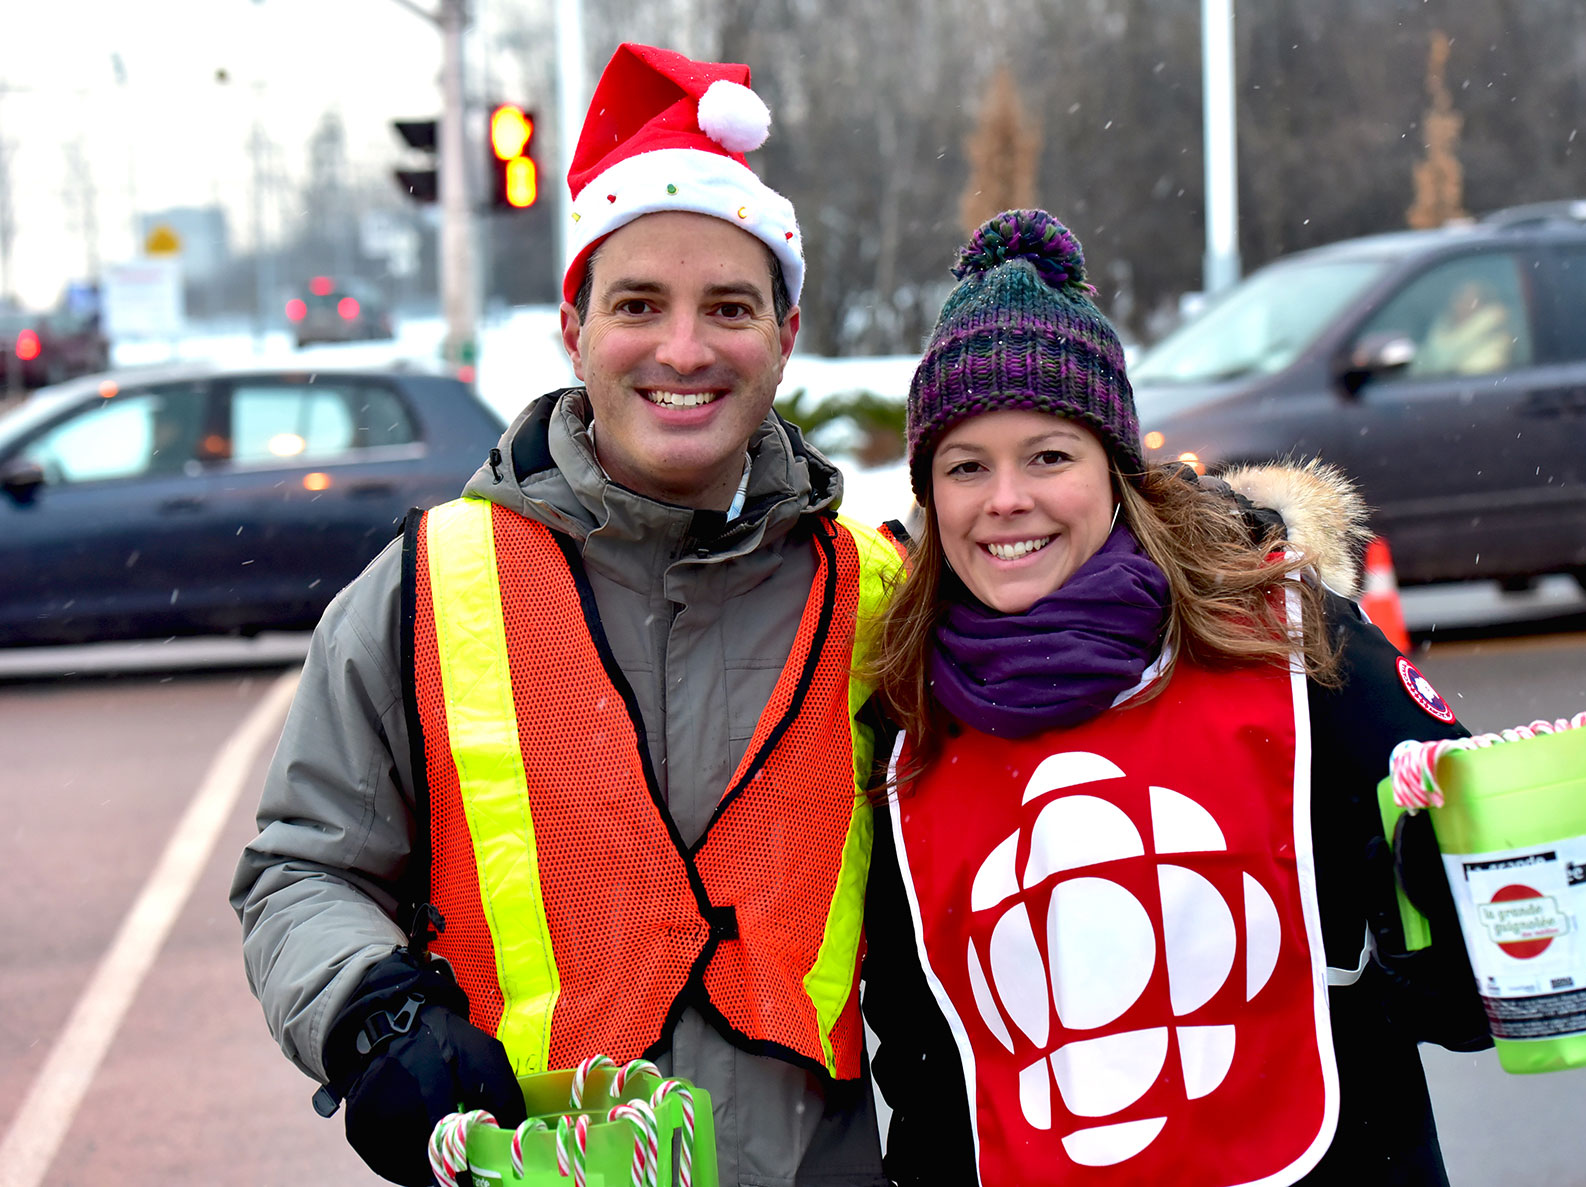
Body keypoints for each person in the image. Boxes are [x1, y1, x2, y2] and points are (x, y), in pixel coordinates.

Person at [230, 44, 899, 1187]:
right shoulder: (424, 586)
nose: (683, 350)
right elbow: (303, 867)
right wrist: (371, 1012)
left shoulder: (883, 596)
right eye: (638, 303)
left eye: (729, 307)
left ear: (785, 338)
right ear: (573, 327)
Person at [860, 210, 1490, 1186]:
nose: (1005, 499)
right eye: (965, 465)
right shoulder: (905, 725)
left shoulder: (1288, 640)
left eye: (1048, 455)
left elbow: (1470, 911)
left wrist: (1440, 958)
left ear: (1116, 474)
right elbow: (929, 1063)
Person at [1412, 277, 1516, 376]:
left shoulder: (1495, 344)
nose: (1458, 304)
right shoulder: (1438, 335)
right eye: (1458, 297)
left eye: (1468, 300)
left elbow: (1468, 382)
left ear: (1483, 306)